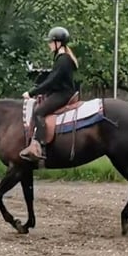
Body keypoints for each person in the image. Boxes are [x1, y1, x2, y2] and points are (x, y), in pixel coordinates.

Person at [19, 26, 79, 161]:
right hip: (60, 92)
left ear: (59, 43)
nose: (49, 45)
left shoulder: (63, 59)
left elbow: (52, 81)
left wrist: (31, 92)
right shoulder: (61, 57)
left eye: (51, 42)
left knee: (39, 112)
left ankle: (40, 147)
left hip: (63, 94)